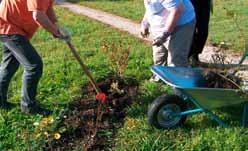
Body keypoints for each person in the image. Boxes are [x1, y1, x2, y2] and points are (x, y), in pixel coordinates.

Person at [0, 0, 64, 115]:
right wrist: (55, 32)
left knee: (9, 66)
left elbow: (47, 7)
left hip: (12, 24)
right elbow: (38, 15)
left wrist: (55, 25)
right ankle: (28, 107)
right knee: (33, 66)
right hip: (9, 24)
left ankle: (1, 102)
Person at [140, 0, 196, 82]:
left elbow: (177, 10)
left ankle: (179, 85)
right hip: (161, 25)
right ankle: (159, 77)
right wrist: (145, 23)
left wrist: (165, 35)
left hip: (181, 24)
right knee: (159, 54)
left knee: (176, 59)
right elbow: (151, 6)